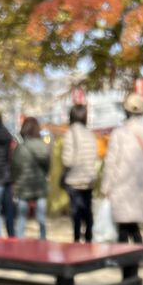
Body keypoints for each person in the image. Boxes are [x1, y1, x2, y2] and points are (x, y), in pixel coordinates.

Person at [101, 93, 143, 243]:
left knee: (124, 228)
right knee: (133, 226)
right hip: (140, 185)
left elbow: (111, 162)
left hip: (121, 186)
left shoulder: (119, 133)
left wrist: (106, 186)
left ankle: (126, 261)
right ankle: (137, 257)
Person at [62, 104, 98, 242]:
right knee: (87, 211)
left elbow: (67, 160)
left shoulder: (71, 133)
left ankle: (77, 239)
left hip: (74, 179)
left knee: (76, 212)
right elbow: (94, 156)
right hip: (89, 178)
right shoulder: (90, 134)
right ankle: (89, 238)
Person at [12, 117, 50, 239]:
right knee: (41, 217)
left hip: (23, 186)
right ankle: (43, 239)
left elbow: (15, 167)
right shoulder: (43, 146)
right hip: (40, 185)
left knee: (22, 217)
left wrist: (16, 181)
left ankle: (19, 242)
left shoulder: (20, 148)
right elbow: (48, 165)